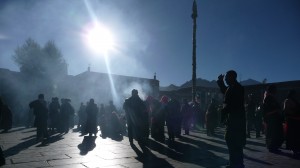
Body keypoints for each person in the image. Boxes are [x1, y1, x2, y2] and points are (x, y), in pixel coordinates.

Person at [217, 70, 246, 168]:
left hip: (236, 120)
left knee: (235, 142)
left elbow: (233, 104)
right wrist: (220, 82)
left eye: (226, 78)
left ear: (232, 77)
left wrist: (224, 111)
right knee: (231, 142)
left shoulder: (238, 88)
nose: (225, 79)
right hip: (232, 119)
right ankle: (234, 163)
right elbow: (225, 91)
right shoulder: (231, 88)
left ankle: (237, 164)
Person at [262, 85, 284, 153]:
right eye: (275, 89)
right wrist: (276, 110)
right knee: (271, 134)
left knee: (276, 133)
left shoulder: (272, 98)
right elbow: (266, 111)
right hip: (271, 120)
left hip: (275, 119)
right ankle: (271, 147)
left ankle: (274, 147)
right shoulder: (268, 98)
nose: (276, 91)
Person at [283, 90, 300, 157]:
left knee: (296, 135)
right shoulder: (287, 100)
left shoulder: (295, 100)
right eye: (294, 94)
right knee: (292, 135)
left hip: (297, 120)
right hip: (291, 120)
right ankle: (293, 149)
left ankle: (297, 148)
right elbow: (285, 110)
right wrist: (294, 112)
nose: (295, 95)